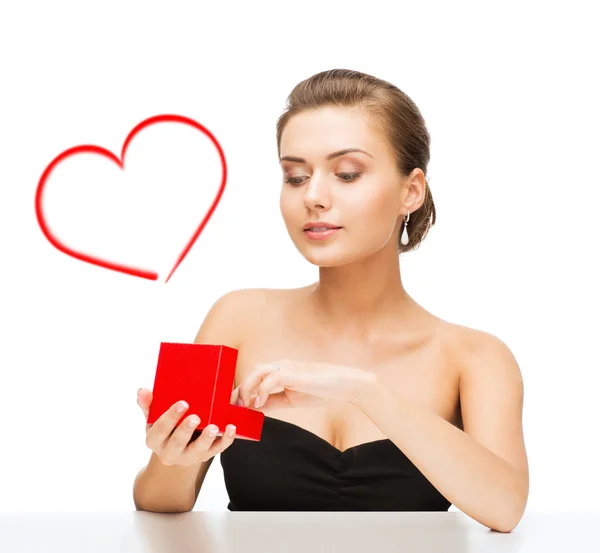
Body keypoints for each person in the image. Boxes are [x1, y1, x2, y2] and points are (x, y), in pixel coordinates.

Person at [132, 68, 529, 532]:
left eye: (346, 174)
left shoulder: (475, 357)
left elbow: (505, 509)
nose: (314, 197)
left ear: (411, 191)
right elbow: (161, 503)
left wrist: (362, 391)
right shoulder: (236, 317)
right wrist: (173, 454)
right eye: (295, 177)